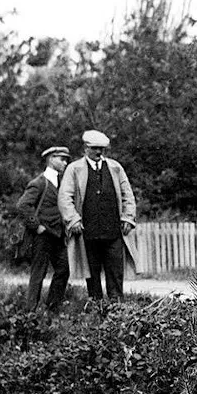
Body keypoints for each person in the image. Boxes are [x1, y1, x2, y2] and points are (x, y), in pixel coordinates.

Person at [56, 129, 137, 304]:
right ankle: (96, 308)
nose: (99, 152)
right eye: (94, 149)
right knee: (92, 274)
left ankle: (117, 309)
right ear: (85, 148)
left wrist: (128, 218)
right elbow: (64, 197)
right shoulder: (74, 169)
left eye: (102, 149)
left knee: (115, 272)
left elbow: (127, 195)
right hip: (88, 233)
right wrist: (73, 219)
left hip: (113, 232)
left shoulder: (115, 168)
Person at [17, 146, 72, 311]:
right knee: (38, 274)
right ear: (51, 159)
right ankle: (30, 313)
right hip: (41, 236)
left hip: (57, 235)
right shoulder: (39, 183)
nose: (65, 163)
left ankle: (52, 309)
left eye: (66, 159)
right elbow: (22, 206)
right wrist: (37, 226)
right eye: (61, 159)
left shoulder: (62, 183)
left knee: (64, 269)